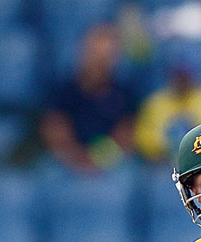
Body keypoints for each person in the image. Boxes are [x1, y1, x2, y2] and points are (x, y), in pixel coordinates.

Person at [39, 23, 139, 173]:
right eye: (96, 53)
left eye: (107, 56)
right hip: (68, 165)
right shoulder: (63, 92)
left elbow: (125, 135)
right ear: (84, 53)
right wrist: (79, 158)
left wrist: (99, 159)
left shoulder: (125, 94)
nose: (100, 61)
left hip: (108, 168)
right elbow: (55, 130)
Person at [133, 47, 201, 163]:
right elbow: (142, 137)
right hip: (163, 163)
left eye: (185, 76)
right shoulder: (155, 103)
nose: (182, 81)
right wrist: (164, 145)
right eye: (179, 76)